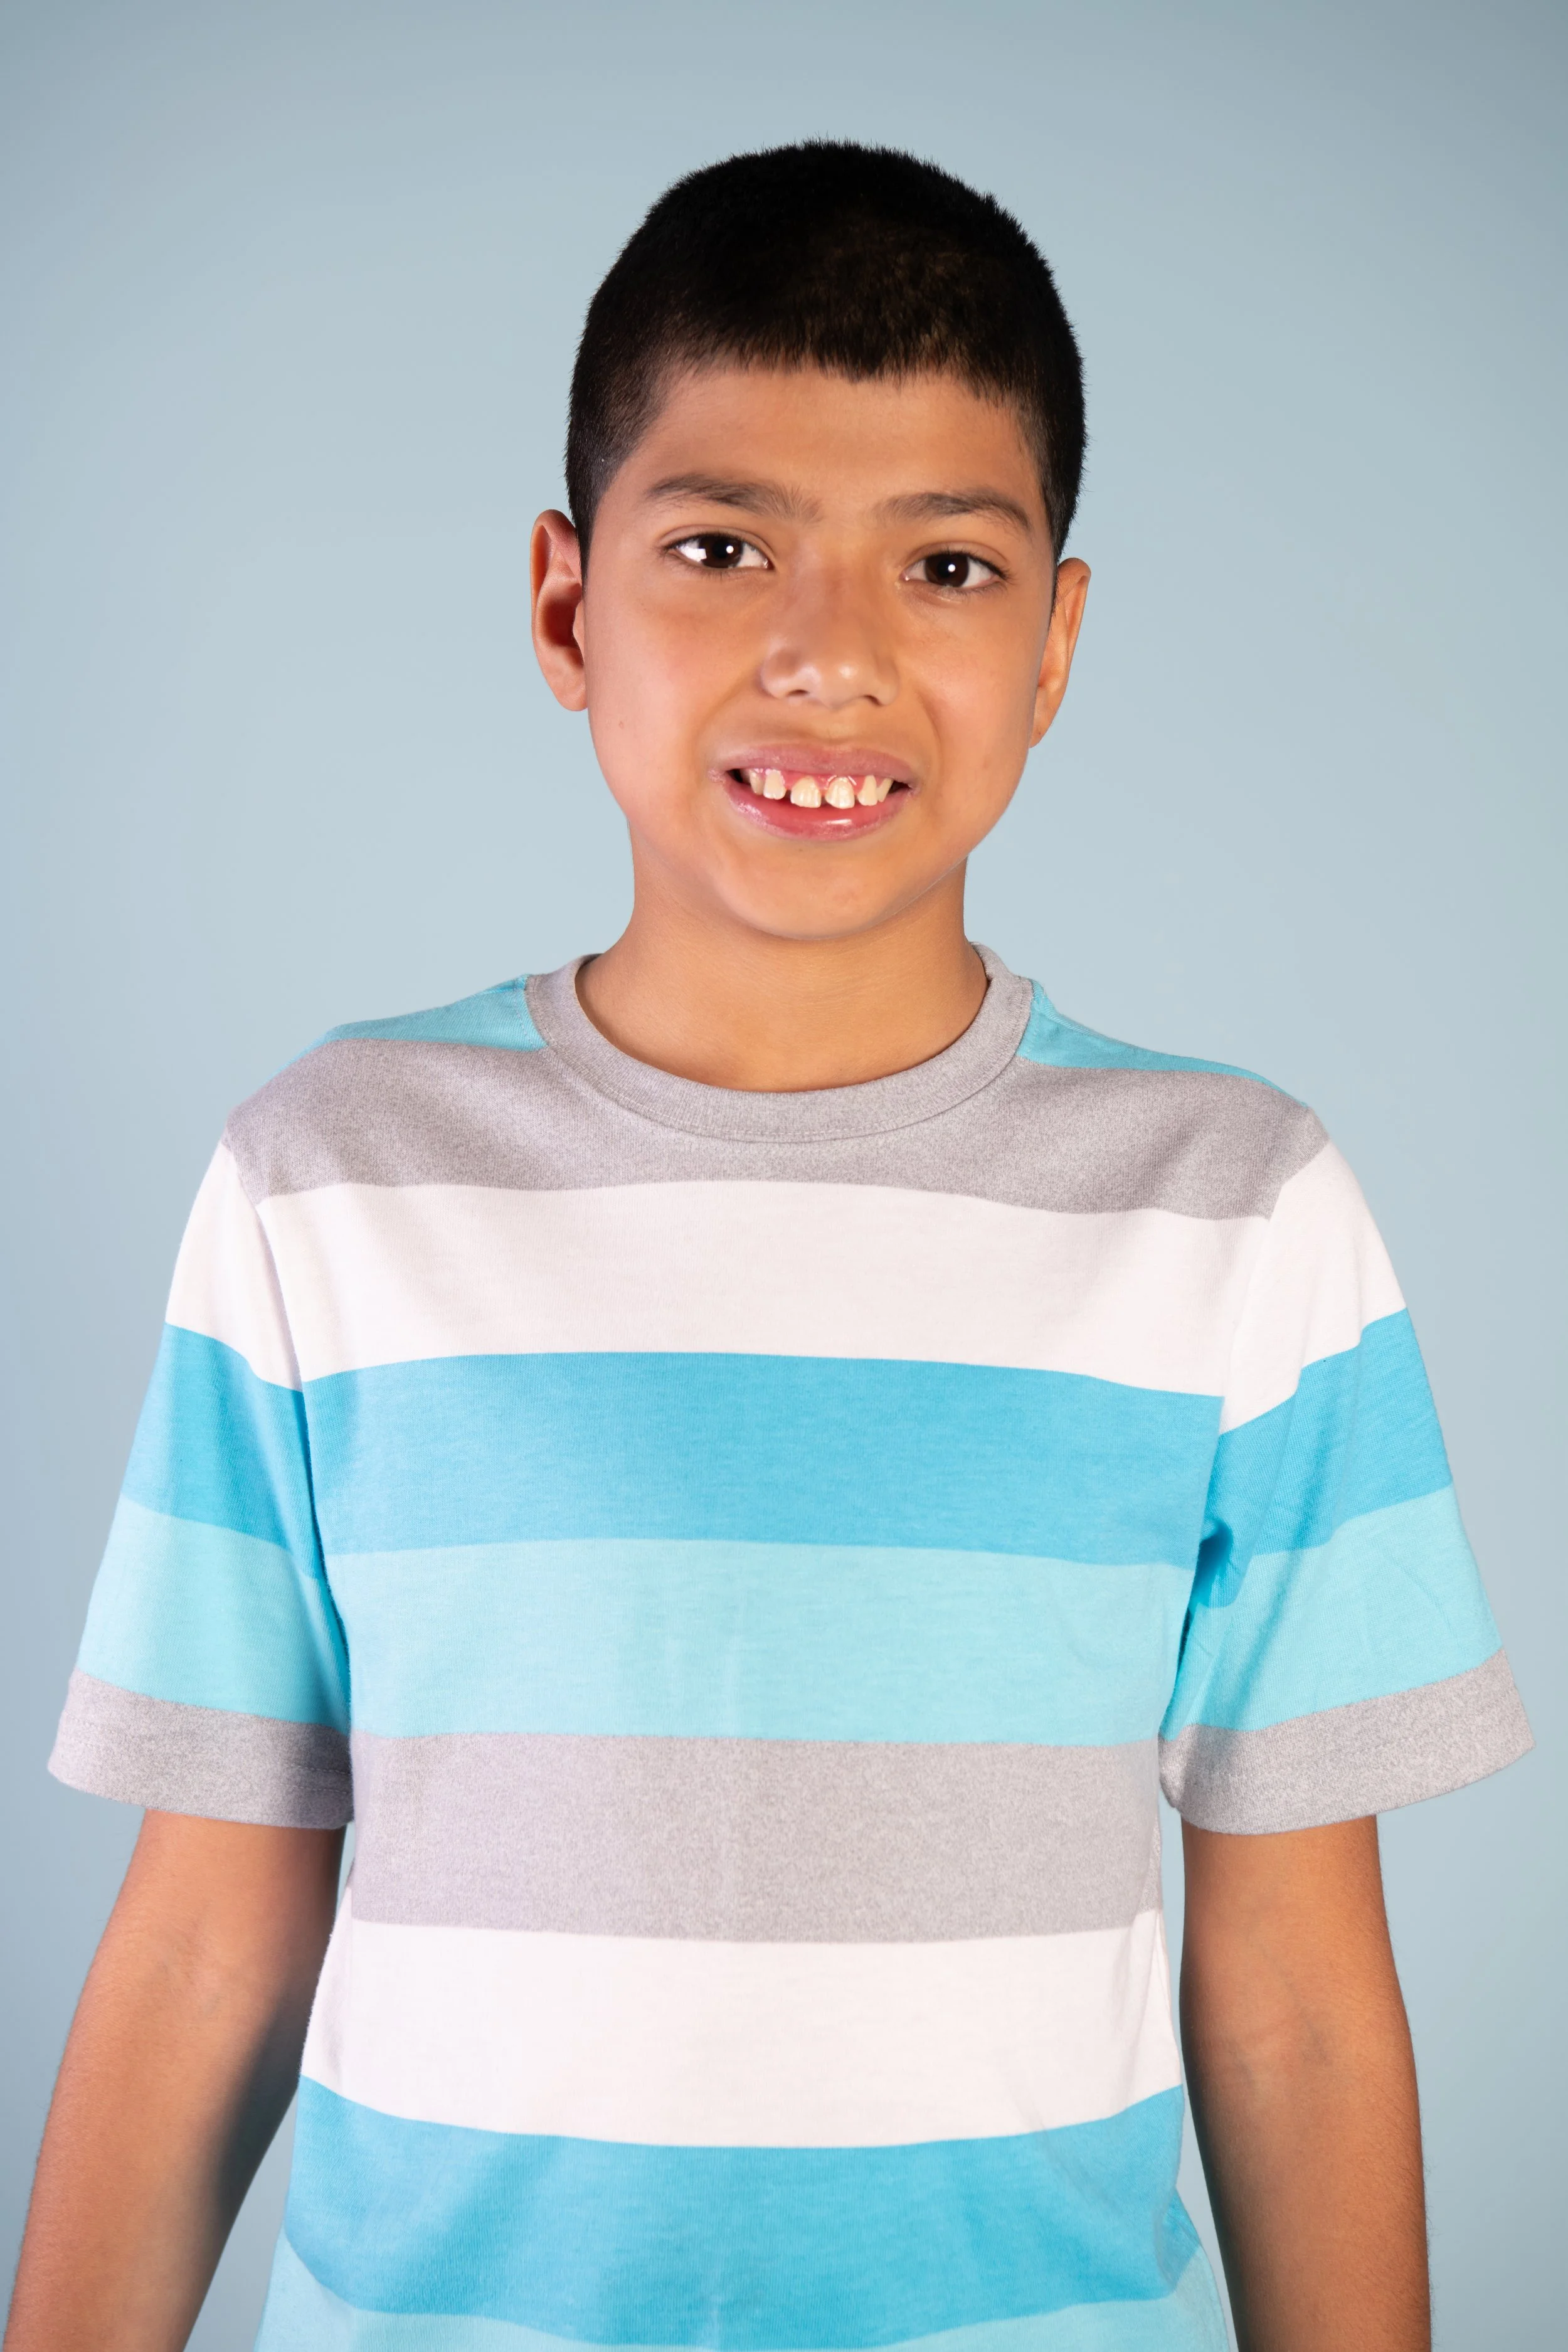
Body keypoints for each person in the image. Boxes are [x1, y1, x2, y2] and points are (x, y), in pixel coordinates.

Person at [6, 142, 1532, 2352]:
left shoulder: (1238, 1206)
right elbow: (203, 1936)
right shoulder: (328, 1176)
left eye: (943, 563)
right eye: (720, 547)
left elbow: (1293, 1994)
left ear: (1055, 642)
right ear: (566, 606)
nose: (829, 656)